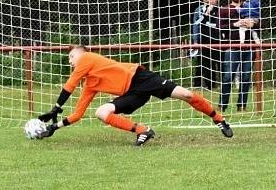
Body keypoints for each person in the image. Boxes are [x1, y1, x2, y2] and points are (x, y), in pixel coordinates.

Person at [37, 45, 233, 146]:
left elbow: (69, 85)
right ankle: (143, 131)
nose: (70, 61)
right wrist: (55, 126)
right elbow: (78, 114)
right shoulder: (90, 83)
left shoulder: (87, 58)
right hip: (132, 93)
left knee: (187, 95)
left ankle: (219, 119)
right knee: (101, 112)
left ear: (82, 54)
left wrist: (56, 108)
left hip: (140, 78)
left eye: (71, 56)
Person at [218, 0, 257, 112]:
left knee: (246, 77)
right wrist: (234, 24)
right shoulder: (224, 9)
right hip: (232, 48)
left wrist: (254, 24)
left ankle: (242, 106)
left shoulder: (250, 7)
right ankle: (222, 106)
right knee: (228, 77)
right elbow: (219, 27)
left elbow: (262, 23)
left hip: (248, 48)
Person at [191, 0, 220, 89]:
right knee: (204, 62)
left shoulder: (219, 9)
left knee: (218, 62)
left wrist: (210, 24)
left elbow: (219, 24)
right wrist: (195, 39)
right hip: (203, 39)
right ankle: (207, 84)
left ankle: (221, 82)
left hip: (217, 39)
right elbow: (197, 23)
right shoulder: (199, 10)